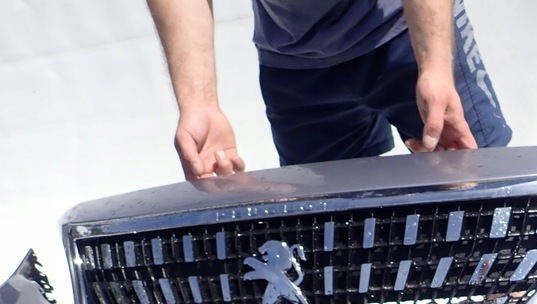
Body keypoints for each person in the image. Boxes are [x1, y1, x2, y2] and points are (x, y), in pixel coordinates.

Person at [146, 0, 512, 179]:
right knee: (330, 245)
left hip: (405, 29)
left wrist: (434, 65)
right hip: (294, 60)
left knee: (481, 194)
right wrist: (199, 103)